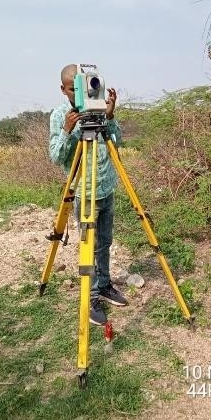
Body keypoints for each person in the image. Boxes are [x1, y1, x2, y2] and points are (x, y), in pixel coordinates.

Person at [49, 64, 128, 325]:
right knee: (88, 247)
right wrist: (67, 132)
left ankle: (104, 285)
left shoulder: (98, 110)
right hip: (84, 191)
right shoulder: (61, 115)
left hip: (106, 187)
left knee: (104, 243)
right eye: (74, 89)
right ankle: (91, 295)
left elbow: (116, 142)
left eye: (83, 88)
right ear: (63, 90)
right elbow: (56, 156)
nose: (80, 94)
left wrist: (110, 116)